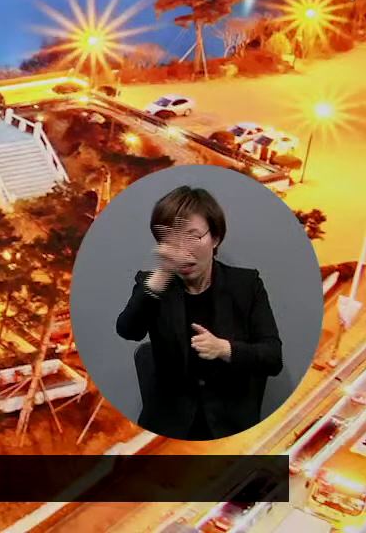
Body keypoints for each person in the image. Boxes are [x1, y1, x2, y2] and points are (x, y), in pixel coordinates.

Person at [115, 185, 283, 440]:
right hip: (169, 423)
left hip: (229, 424)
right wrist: (161, 275)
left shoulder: (246, 285)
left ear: (215, 238)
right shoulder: (155, 284)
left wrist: (224, 349)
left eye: (193, 237)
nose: (183, 251)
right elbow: (128, 330)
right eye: (171, 241)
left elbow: (273, 358)